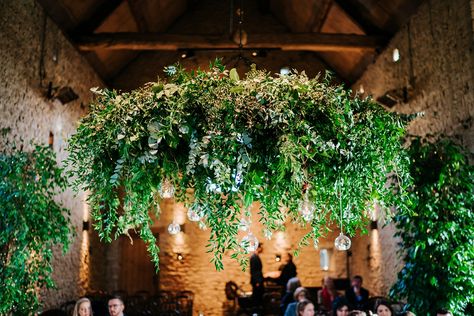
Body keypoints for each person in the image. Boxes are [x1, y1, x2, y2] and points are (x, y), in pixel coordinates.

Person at [250, 243, 264, 308]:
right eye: (261, 247)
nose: (262, 249)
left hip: (258, 280)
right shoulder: (254, 257)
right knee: (256, 297)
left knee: (259, 297)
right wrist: (257, 282)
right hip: (257, 281)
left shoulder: (256, 257)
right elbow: (253, 271)